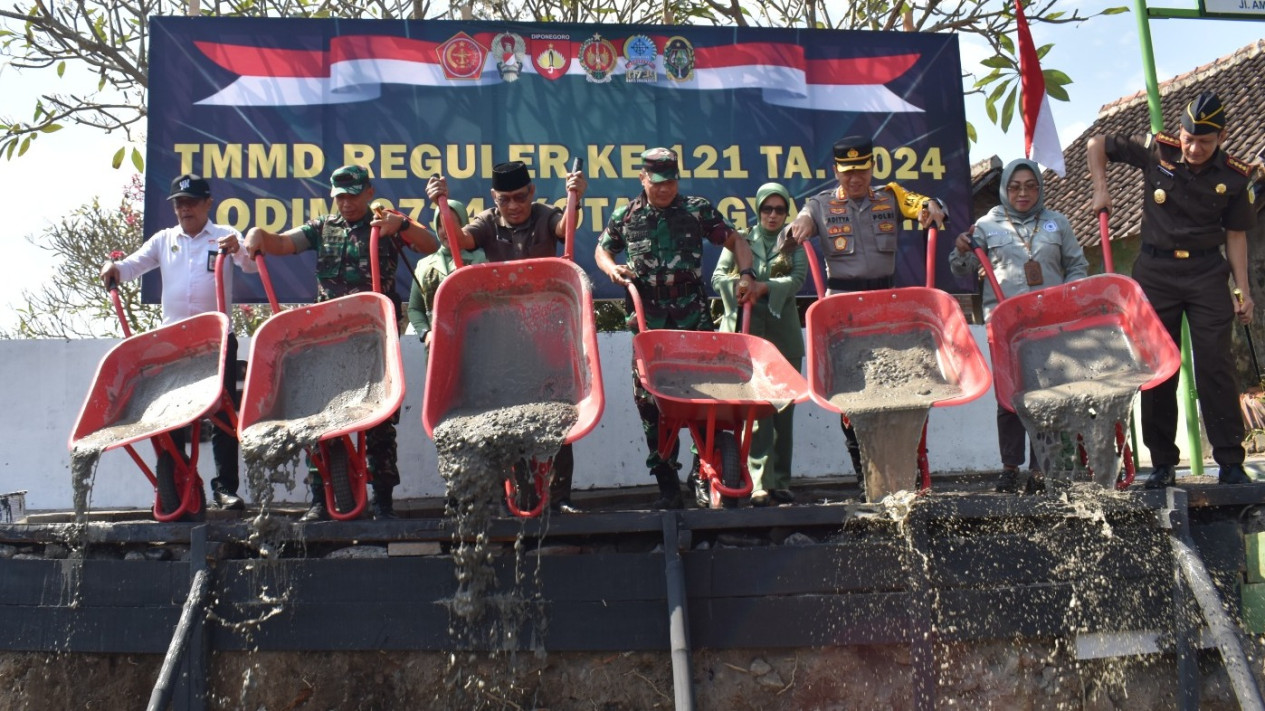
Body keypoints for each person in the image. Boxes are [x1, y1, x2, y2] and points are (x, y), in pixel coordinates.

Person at [244, 165, 439, 520]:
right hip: (329, 338)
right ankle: (321, 498)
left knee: (379, 420)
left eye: (353, 196)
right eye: (340, 198)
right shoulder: (323, 227)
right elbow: (285, 243)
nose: (347, 204)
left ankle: (383, 501)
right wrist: (260, 235)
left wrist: (403, 226)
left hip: (374, 336)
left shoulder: (387, 221)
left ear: (368, 192)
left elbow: (432, 245)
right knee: (320, 414)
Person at [1087, 91, 1257, 488]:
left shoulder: (1233, 176)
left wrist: (1242, 290)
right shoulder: (1158, 150)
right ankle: (1163, 464)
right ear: (1179, 130)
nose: (1194, 148)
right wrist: (1100, 188)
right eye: (1188, 138)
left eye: (1205, 142)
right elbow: (1097, 145)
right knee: (1160, 369)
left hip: (1206, 273)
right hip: (1156, 271)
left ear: (1222, 138)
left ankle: (1231, 462)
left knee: (1216, 365)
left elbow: (1236, 237)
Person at [595, 147, 757, 509]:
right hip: (648, 320)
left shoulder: (697, 210)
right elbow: (602, 250)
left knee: (704, 397)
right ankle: (666, 481)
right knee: (650, 401)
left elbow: (737, 241)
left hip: (692, 316)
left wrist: (746, 273)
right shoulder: (627, 215)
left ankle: (708, 469)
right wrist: (610, 268)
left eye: (670, 182)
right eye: (656, 183)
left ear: (677, 180)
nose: (664, 190)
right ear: (643, 179)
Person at [425, 160, 588, 513]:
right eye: (504, 200)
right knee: (507, 416)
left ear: (531, 193)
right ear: (494, 198)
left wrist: (576, 195)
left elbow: (565, 227)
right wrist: (441, 203)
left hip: (546, 332)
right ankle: (511, 498)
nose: (513, 207)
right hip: (504, 334)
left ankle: (559, 499)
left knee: (556, 415)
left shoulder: (545, 215)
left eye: (519, 198)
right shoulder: (487, 221)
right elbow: (461, 239)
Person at [787, 135, 947, 485]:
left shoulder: (890, 196)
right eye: (847, 172)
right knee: (850, 399)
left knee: (900, 393)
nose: (855, 178)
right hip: (842, 313)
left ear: (872, 167)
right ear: (836, 171)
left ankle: (911, 472)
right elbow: (800, 223)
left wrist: (931, 208)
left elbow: (925, 203)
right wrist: (796, 228)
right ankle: (865, 477)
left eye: (861, 170)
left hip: (886, 309)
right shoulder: (820, 205)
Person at [99, 173, 257, 514]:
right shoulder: (163, 240)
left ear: (207, 204)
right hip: (173, 345)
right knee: (171, 415)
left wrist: (239, 248)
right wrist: (113, 266)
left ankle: (225, 489)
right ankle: (179, 481)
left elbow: (251, 264)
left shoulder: (224, 236)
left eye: (191, 202)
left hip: (217, 341)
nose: (185, 209)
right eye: (179, 204)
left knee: (223, 413)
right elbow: (131, 267)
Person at [949, 158, 1088, 494]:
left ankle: (1042, 469)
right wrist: (961, 247)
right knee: (1010, 398)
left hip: (1050, 325)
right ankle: (1010, 468)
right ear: (1005, 189)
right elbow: (959, 267)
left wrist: (1069, 300)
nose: (1023, 193)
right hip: (1007, 327)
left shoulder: (1057, 223)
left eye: (1030, 186)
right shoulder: (986, 224)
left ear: (1040, 188)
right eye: (1015, 186)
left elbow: (1077, 267)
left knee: (1048, 396)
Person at [711, 182, 807, 507]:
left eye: (780, 209)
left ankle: (780, 481)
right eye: (767, 208)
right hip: (747, 336)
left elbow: (797, 280)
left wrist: (765, 287)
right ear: (758, 209)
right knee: (755, 411)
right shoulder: (740, 240)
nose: (773, 215)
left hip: (783, 337)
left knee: (783, 411)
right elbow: (717, 277)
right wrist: (740, 284)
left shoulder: (793, 244)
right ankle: (757, 483)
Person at [405, 199, 487, 348]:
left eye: (454, 224)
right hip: (436, 349)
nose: (447, 230)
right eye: (441, 226)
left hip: (476, 346)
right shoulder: (424, 265)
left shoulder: (482, 259)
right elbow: (415, 309)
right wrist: (426, 333)